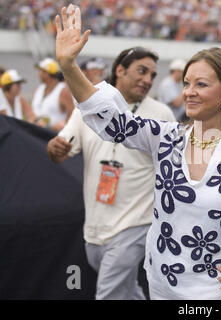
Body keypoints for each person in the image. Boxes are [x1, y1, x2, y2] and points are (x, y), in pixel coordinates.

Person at [53, 4, 221, 300]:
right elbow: (114, 122)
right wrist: (69, 65)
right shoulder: (167, 137)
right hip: (162, 285)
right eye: (186, 83)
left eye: (201, 84)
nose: (189, 92)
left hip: (218, 292)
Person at [47, 44, 176, 299]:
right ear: (120, 69)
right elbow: (60, 149)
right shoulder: (87, 108)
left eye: (152, 74)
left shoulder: (162, 113)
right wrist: (54, 148)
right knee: (127, 291)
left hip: (136, 222)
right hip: (95, 226)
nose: (148, 79)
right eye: (142, 71)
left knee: (108, 294)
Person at [32, 57, 75, 131]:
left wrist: (62, 125)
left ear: (47, 74)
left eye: (40, 71)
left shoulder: (63, 91)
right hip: (36, 132)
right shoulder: (39, 89)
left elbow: (73, 114)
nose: (38, 73)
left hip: (54, 134)